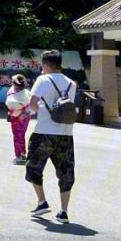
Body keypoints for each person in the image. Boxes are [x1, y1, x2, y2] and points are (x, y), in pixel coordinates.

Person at [25, 50, 77, 223]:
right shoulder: (71, 83)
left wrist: (33, 111)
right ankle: (63, 211)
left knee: (33, 166)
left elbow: (33, 105)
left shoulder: (42, 80)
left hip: (44, 131)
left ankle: (42, 202)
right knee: (66, 171)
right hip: (66, 133)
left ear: (46, 65)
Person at [5, 74, 33, 165]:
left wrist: (18, 113)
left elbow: (10, 105)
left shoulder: (13, 94)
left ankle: (19, 156)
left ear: (15, 84)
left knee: (17, 135)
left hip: (17, 117)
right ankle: (22, 153)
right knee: (21, 134)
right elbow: (32, 106)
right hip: (25, 116)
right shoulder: (27, 93)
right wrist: (25, 113)